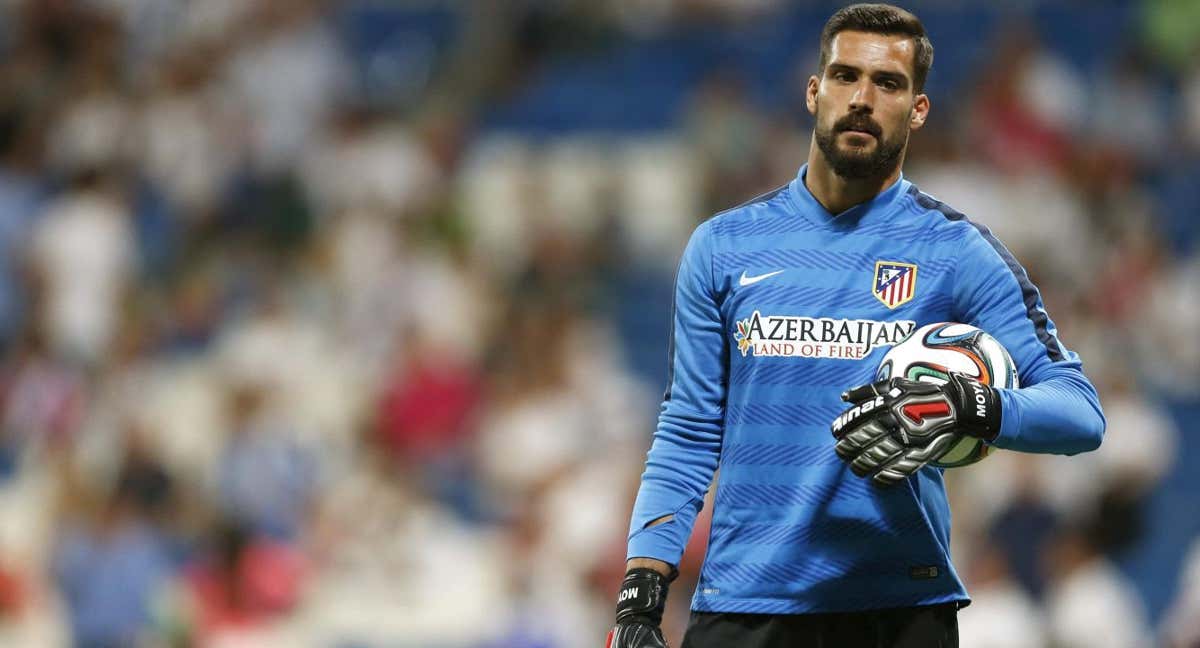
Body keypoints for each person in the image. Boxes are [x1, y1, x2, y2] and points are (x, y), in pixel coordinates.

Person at [605, 4, 1106, 647]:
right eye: (845, 76)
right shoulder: (722, 247)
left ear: (918, 109)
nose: (863, 99)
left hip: (899, 610)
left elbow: (1080, 412)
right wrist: (641, 598)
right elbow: (689, 432)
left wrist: (972, 406)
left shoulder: (957, 252)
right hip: (745, 606)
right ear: (814, 92)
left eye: (889, 83)